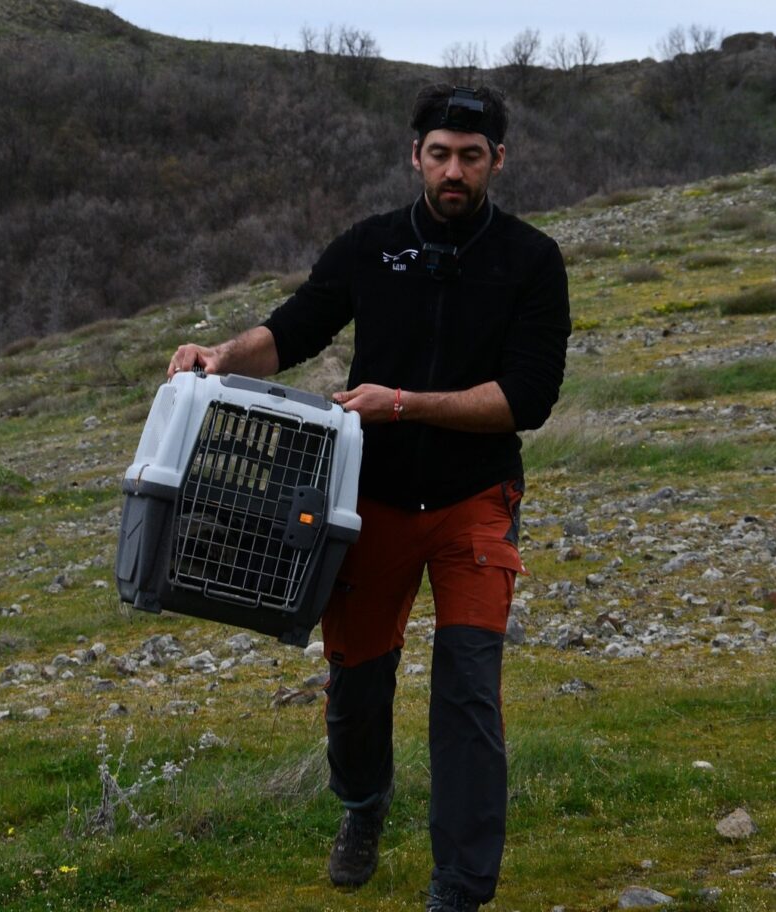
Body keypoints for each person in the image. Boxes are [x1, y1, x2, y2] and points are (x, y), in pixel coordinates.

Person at [167, 83, 571, 912]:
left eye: (470, 155)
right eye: (439, 153)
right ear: (414, 155)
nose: (453, 170)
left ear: (498, 159)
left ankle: (459, 889)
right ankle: (362, 807)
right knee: (357, 682)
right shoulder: (371, 246)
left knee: (466, 690)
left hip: (474, 500)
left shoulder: (531, 260)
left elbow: (526, 399)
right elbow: (292, 330)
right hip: (372, 500)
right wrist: (220, 355)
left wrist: (405, 405)